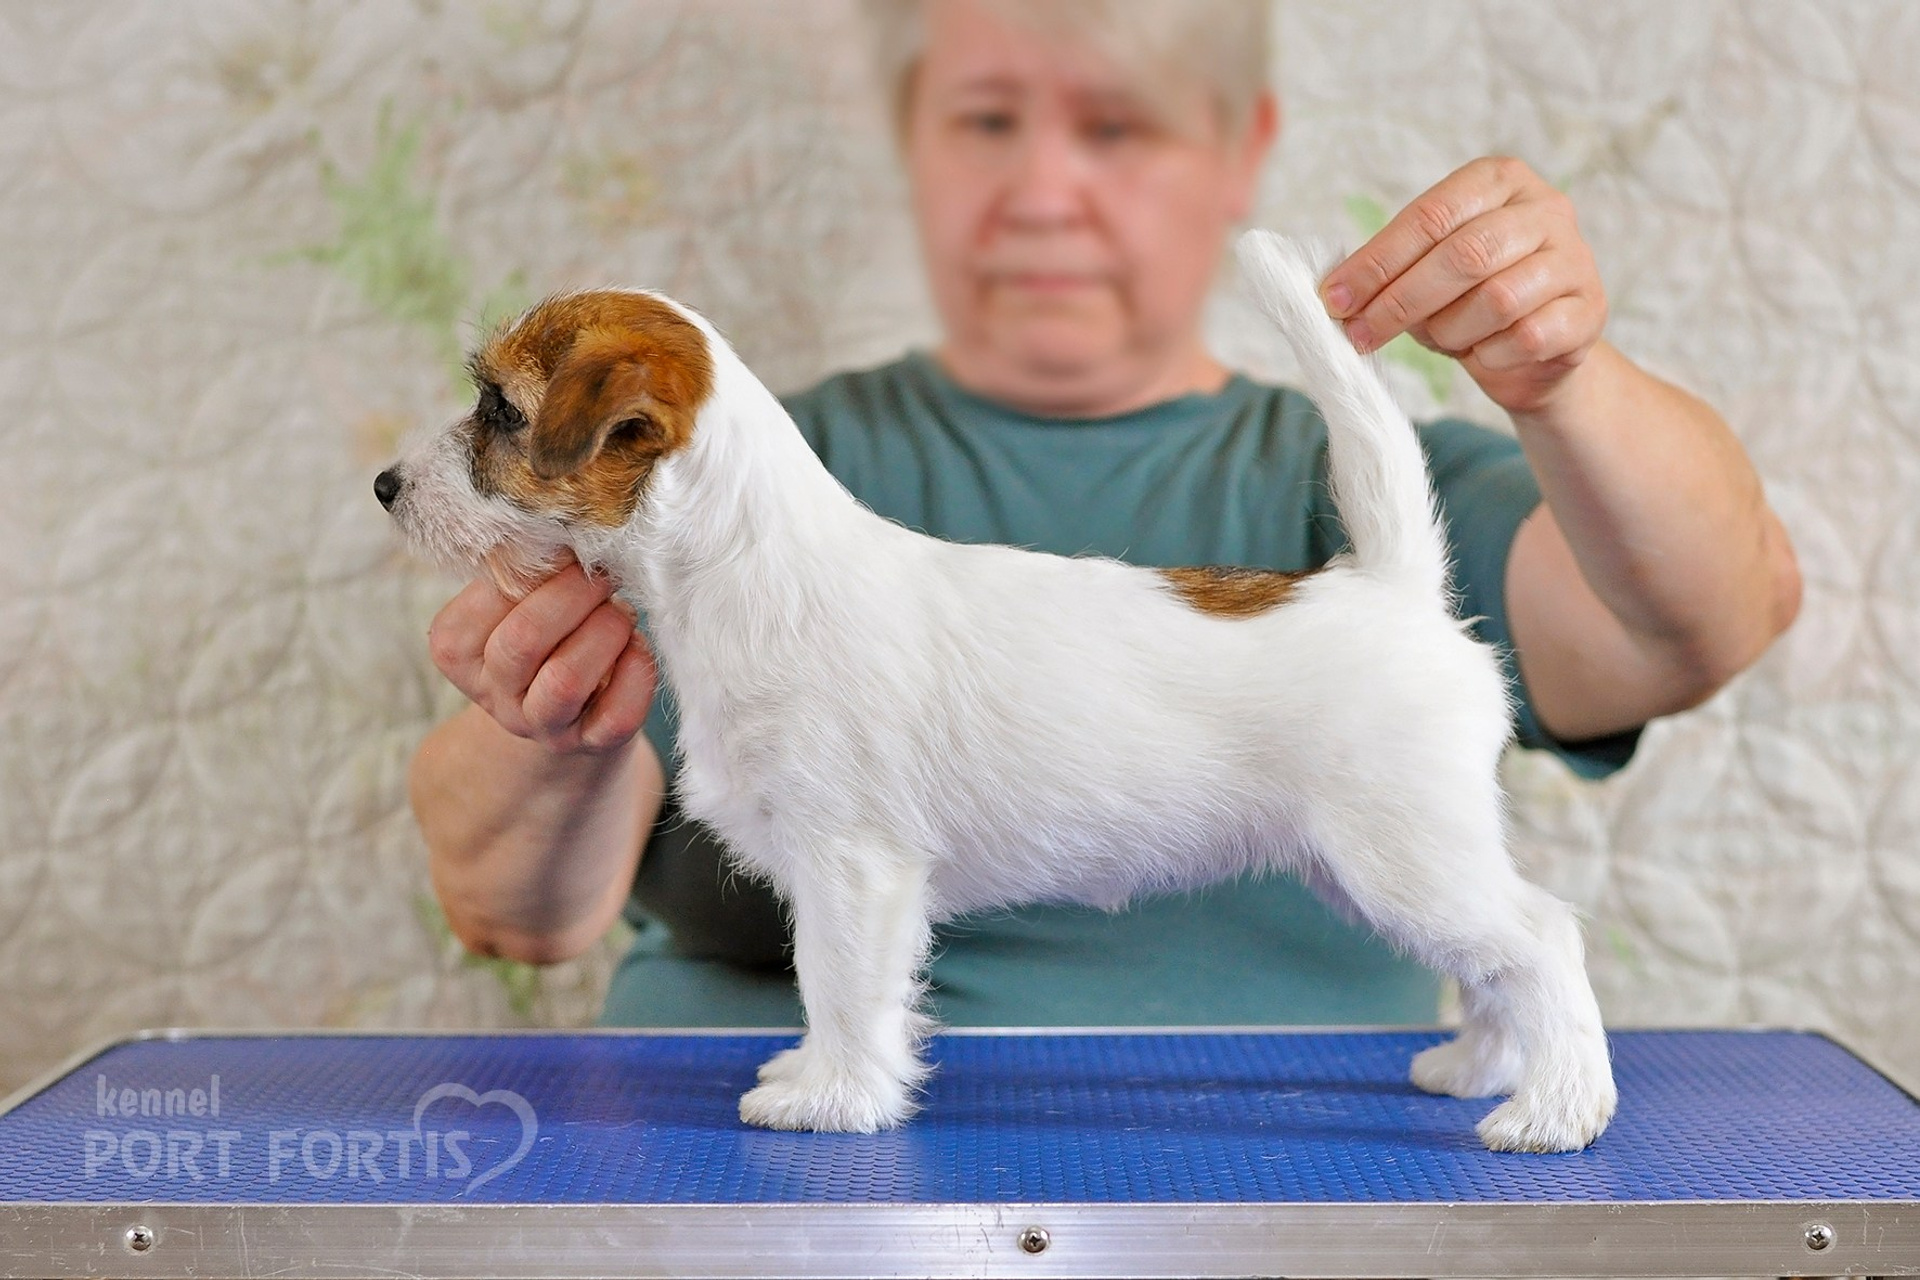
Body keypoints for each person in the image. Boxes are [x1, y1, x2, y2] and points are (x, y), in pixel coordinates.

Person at [408, 0, 1801, 1029]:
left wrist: (1563, 379)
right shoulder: (708, 470)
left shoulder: (1329, 480)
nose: (1045, 190)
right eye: (987, 119)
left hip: (1276, 1154)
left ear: (1243, 148)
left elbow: (1701, 627)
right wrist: (545, 725)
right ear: (911, 141)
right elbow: (507, 911)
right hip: (740, 1154)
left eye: (1117, 125)